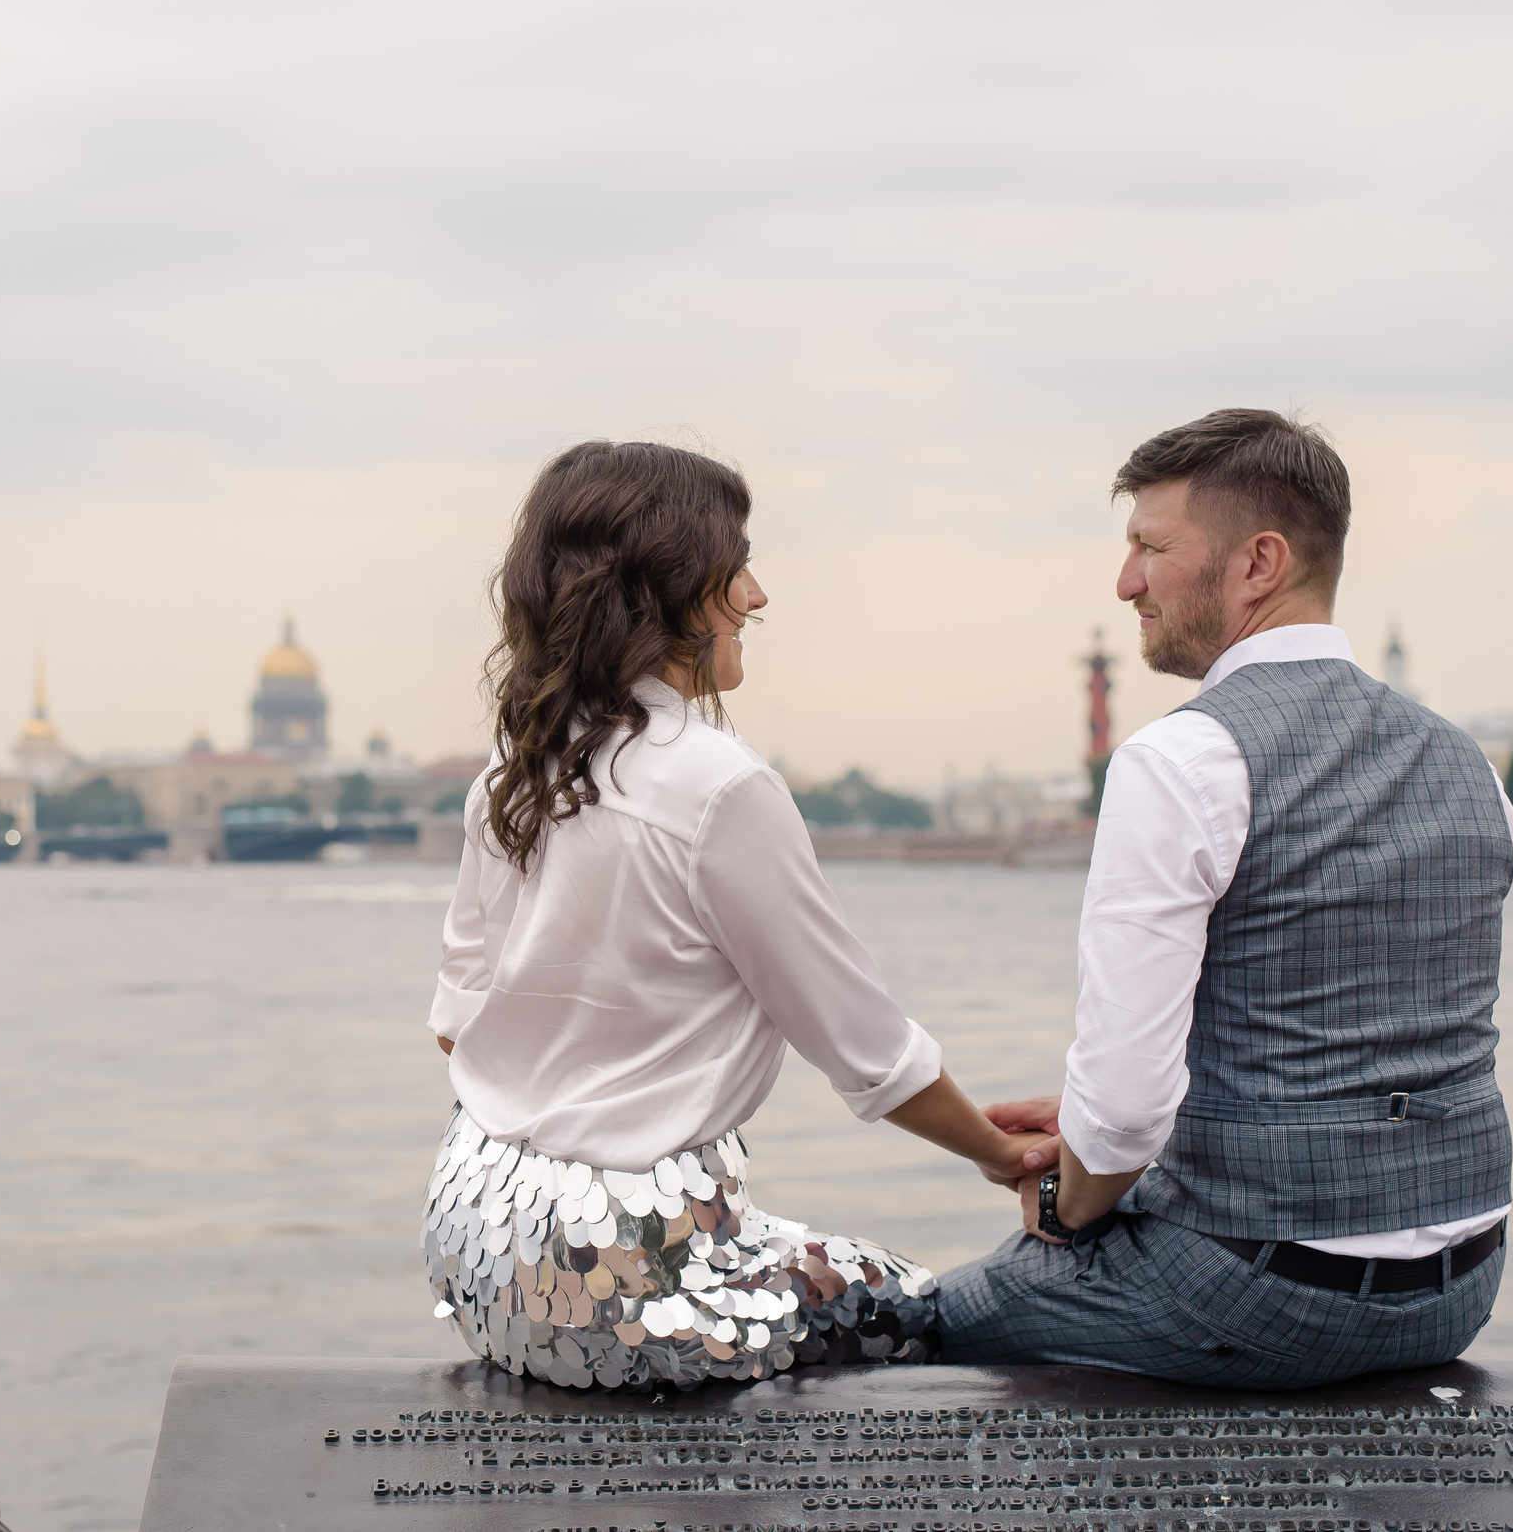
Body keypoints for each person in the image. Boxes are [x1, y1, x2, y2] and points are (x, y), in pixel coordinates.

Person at [423, 439, 1046, 1389]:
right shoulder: (717, 782)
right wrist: (1006, 1154)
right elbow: (864, 1046)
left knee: (788, 1253)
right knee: (922, 1306)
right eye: (736, 566)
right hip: (618, 1287)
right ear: (669, 589)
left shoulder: (510, 778)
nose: (756, 594)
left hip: (475, 1244)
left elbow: (456, 1029)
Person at [940, 409, 1513, 1389]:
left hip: (1256, 1296)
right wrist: (1106, 1123)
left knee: (917, 1315)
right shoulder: (1469, 767)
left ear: (1257, 563)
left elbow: (1122, 1112)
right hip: (1458, 1289)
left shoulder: (1181, 757)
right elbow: (1347, 1033)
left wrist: (1065, 1194)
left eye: (1148, 546)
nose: (1125, 580)